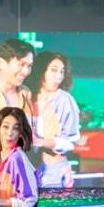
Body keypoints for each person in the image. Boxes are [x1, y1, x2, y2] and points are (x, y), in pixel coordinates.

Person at [26, 51, 80, 188]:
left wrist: (41, 142)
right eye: (54, 70)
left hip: (53, 170)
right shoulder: (26, 96)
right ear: (41, 71)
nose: (59, 76)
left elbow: (70, 142)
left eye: (62, 72)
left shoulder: (65, 100)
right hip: (26, 168)